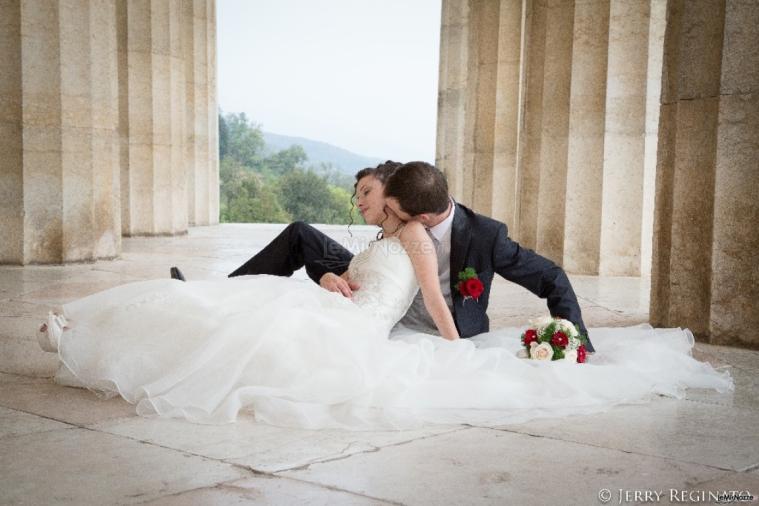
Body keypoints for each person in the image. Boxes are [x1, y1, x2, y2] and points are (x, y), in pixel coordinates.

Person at [37, 165, 733, 430]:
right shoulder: (406, 214)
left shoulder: (467, 238)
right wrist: (334, 278)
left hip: (414, 327)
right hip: (362, 301)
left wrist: (564, 339)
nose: (371, 208)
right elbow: (381, 254)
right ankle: (133, 325)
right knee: (267, 298)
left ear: (415, 215)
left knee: (265, 340)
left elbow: (531, 283)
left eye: (379, 201)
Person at [223, 161, 596, 353]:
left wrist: (576, 337)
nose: (379, 209)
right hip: (379, 293)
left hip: (437, 328)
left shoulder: (486, 235)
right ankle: (220, 298)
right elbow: (370, 267)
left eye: (386, 205)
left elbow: (551, 277)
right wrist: (323, 275)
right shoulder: (409, 197)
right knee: (301, 235)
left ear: (418, 217)